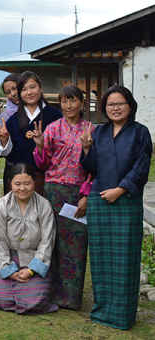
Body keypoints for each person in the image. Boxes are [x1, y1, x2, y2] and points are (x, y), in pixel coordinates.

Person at [80, 85, 152, 330]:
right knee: (100, 258)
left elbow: (142, 167)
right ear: (104, 108)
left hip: (126, 202)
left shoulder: (140, 133)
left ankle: (121, 315)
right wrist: (87, 147)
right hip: (99, 201)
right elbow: (90, 167)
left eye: (120, 103)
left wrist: (120, 190)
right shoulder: (99, 132)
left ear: (130, 106)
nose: (115, 108)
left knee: (124, 259)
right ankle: (102, 310)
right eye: (110, 104)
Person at [32, 85, 92, 310]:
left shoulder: (90, 130)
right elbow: (42, 164)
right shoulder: (52, 129)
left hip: (77, 191)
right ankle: (50, 292)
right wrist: (39, 146)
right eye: (64, 101)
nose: (68, 105)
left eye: (73, 100)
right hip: (54, 190)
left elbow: (95, 168)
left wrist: (86, 194)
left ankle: (72, 297)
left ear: (81, 103)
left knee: (75, 244)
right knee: (52, 241)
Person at [0, 163, 58, 314]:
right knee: (2, 299)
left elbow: (47, 241)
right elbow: (0, 242)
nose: (22, 188)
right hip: (10, 257)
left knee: (33, 301)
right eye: (18, 184)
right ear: (10, 184)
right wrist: (9, 271)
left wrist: (31, 270)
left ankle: (33, 290)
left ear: (34, 182)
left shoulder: (44, 205)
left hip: (34, 258)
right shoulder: (1, 206)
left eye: (27, 183)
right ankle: (15, 290)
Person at [0, 71, 62, 194]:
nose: (29, 92)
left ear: (40, 88)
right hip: (19, 180)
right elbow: (5, 153)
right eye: (24, 89)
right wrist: (4, 140)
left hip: (47, 179)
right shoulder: (12, 120)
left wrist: (42, 145)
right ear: (20, 93)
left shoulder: (55, 116)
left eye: (33, 87)